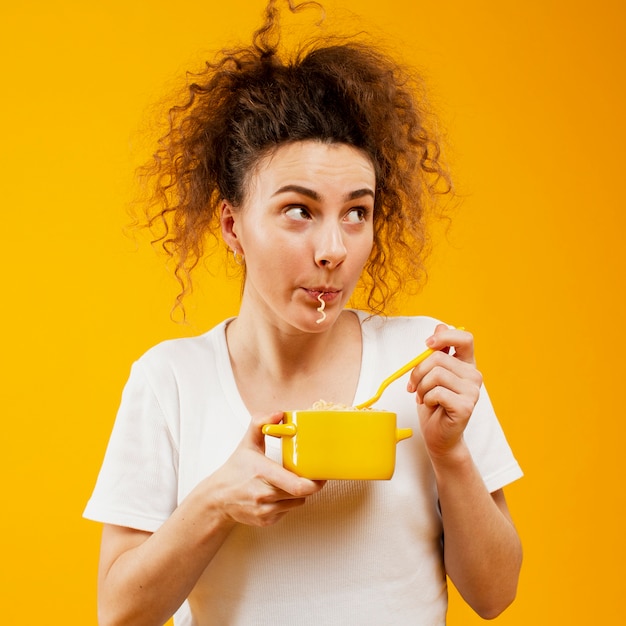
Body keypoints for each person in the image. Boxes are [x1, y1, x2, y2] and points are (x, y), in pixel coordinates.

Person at [84, 1, 523, 624]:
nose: (333, 251)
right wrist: (214, 503)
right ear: (233, 226)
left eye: (356, 212)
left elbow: (496, 594)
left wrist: (450, 454)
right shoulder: (169, 381)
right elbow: (118, 614)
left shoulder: (426, 360)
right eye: (298, 210)